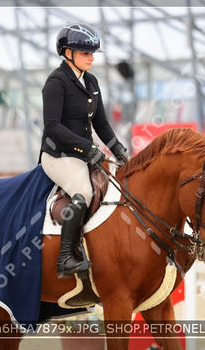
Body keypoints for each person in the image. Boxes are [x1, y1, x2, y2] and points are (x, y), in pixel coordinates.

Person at [39, 22, 128, 279]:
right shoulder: (56, 82)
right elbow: (52, 127)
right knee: (84, 191)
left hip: (84, 154)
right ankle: (65, 258)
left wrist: (119, 150)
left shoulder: (91, 81)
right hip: (59, 156)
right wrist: (88, 148)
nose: (91, 58)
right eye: (85, 53)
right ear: (68, 53)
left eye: (92, 54)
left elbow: (100, 123)